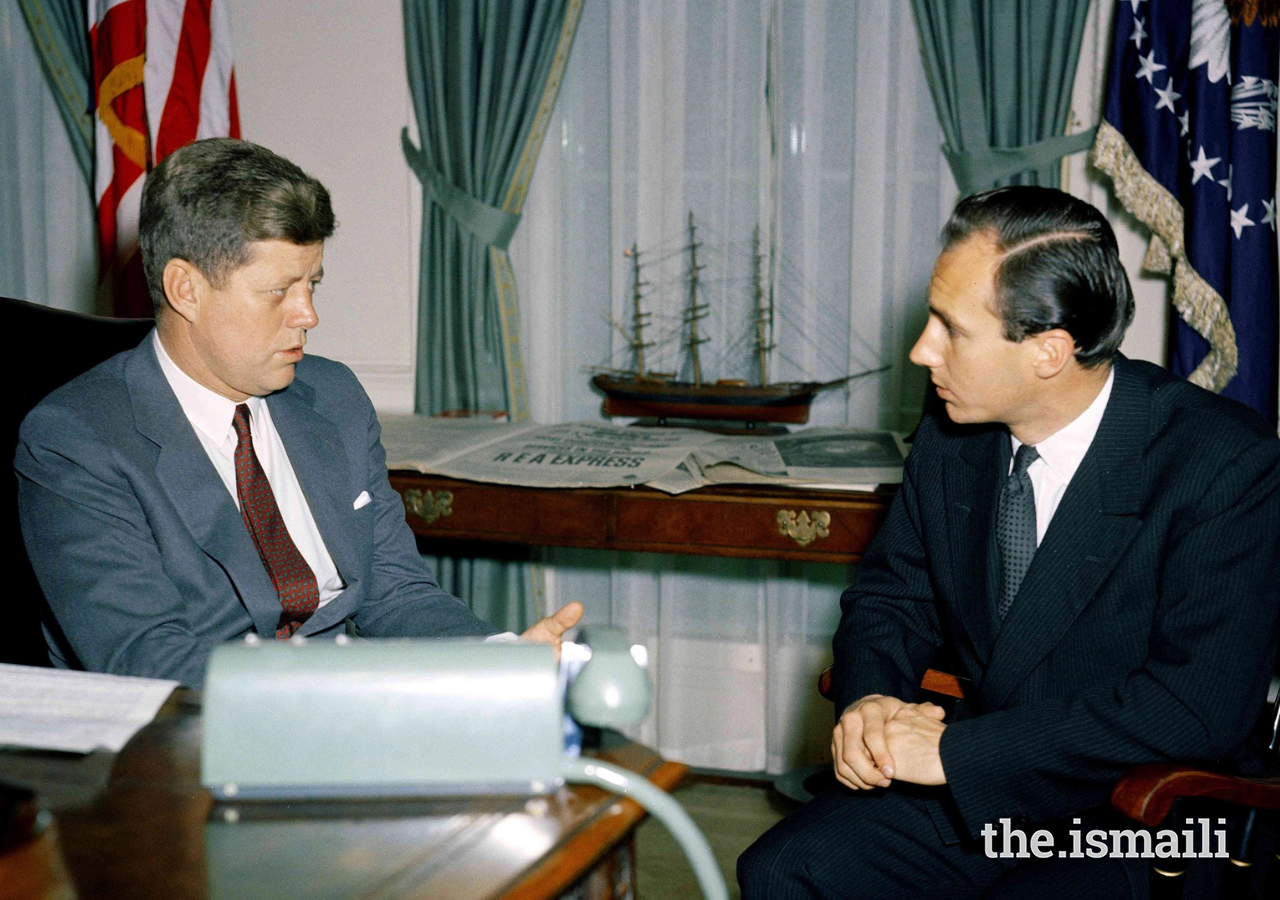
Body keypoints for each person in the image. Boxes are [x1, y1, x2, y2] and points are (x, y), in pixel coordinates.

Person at [738, 186, 1280, 898]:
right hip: (987, 789)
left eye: (950, 328)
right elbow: (891, 597)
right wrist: (871, 698)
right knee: (783, 871)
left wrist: (956, 753)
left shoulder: (1225, 466)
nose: (920, 349)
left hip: (1143, 812)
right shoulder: (952, 432)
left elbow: (1191, 707)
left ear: (1049, 351)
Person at [15, 138, 581, 688]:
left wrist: (493, 661)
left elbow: (397, 593)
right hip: (192, 742)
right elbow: (153, 664)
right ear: (185, 289)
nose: (308, 314)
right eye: (279, 290)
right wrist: (372, 689)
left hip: (357, 710)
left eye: (312, 284)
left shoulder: (331, 396)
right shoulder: (76, 440)